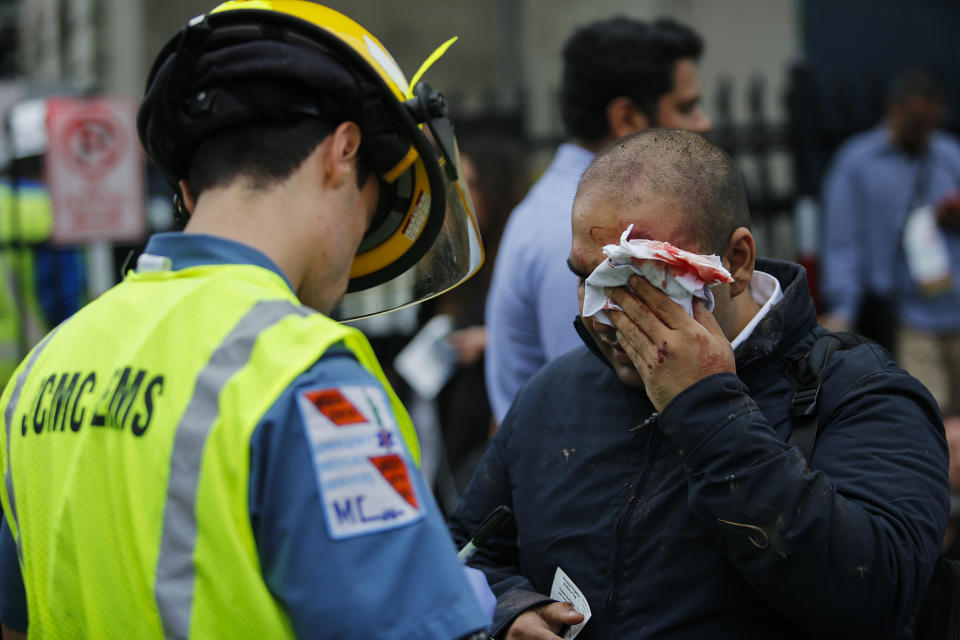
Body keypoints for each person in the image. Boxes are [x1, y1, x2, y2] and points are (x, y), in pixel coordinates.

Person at [0, 2, 494, 638]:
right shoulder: (305, 375)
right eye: (371, 211)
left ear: (186, 186)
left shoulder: (43, 369)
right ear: (342, 154)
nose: (355, 246)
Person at [451, 129, 949, 638]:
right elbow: (464, 556)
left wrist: (708, 406)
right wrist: (508, 610)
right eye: (586, 277)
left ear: (734, 262)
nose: (602, 314)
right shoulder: (553, 393)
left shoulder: (862, 395)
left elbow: (876, 598)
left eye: (637, 277)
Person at [484, 16, 710, 423]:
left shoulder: (576, 211)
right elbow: (596, 406)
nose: (703, 123)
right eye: (686, 107)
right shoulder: (577, 231)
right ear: (626, 119)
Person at [820, 69, 960, 411]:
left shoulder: (949, 155)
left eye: (929, 122)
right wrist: (842, 310)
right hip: (908, 316)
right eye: (914, 120)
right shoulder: (857, 163)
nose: (921, 130)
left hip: (956, 304)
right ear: (893, 110)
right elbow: (843, 243)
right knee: (930, 414)